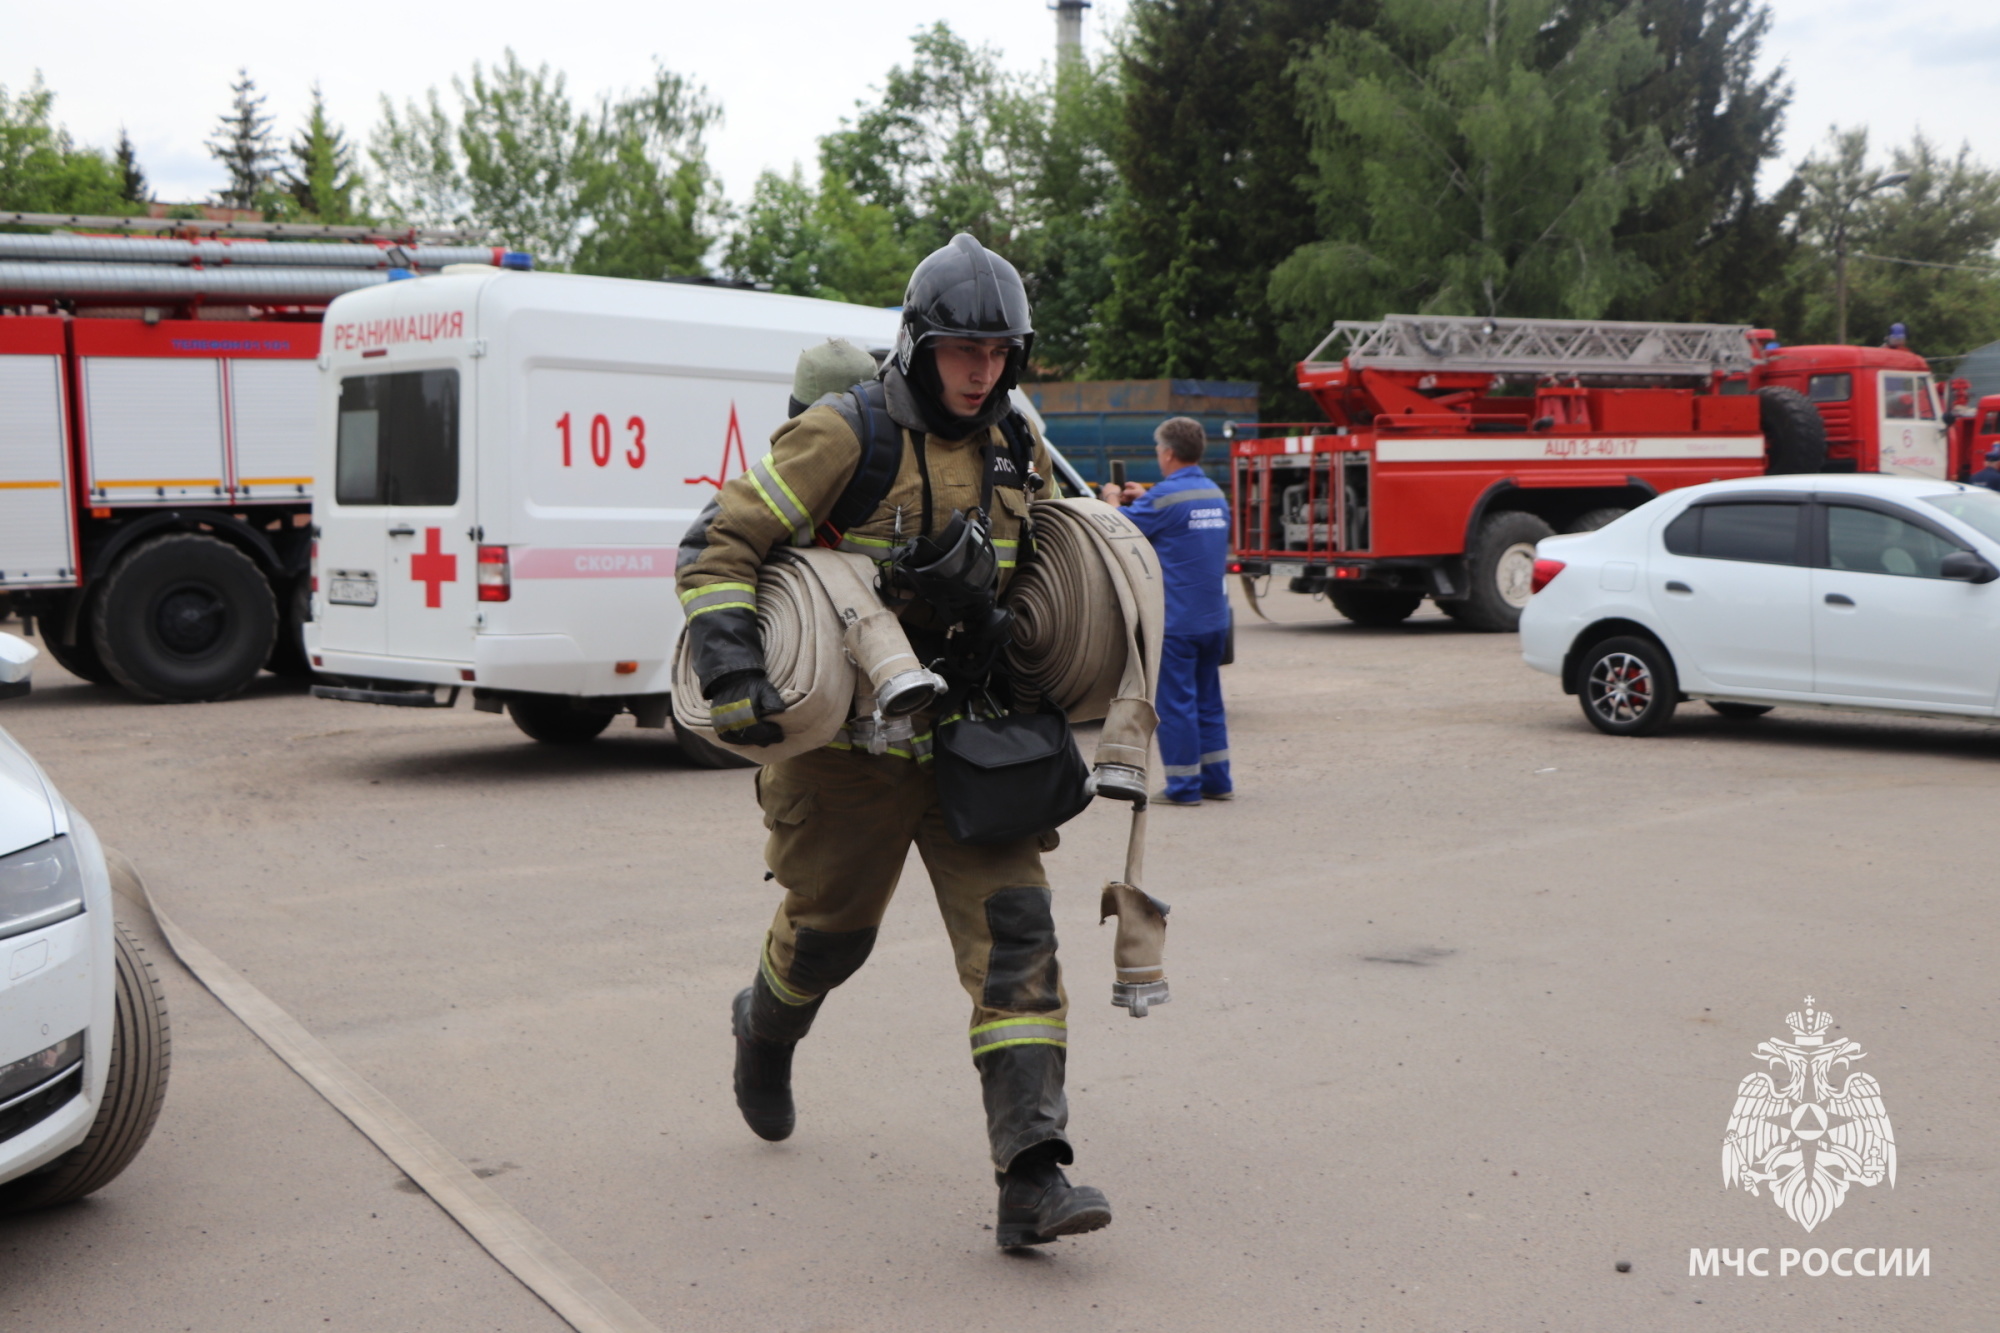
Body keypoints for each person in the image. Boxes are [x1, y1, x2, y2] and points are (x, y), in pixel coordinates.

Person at [675, 233, 1113, 1249]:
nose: (981, 369)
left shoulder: (1016, 444)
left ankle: (1031, 1174)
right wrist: (735, 669)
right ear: (918, 343)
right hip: (846, 759)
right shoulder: (843, 433)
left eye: (999, 350)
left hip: (975, 748)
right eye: (963, 349)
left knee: (1018, 947)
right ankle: (765, 1025)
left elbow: (1060, 562)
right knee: (829, 936)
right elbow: (718, 541)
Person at [1100, 418, 1233, 806]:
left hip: (1177, 623)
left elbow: (1116, 527)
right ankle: (1217, 781)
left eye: (1159, 451)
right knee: (1208, 702)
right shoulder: (1211, 492)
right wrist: (1147, 495)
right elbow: (1178, 519)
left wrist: (1110, 498)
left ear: (1169, 453)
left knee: (1176, 706)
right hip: (1213, 621)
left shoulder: (1163, 500)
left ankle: (1183, 787)